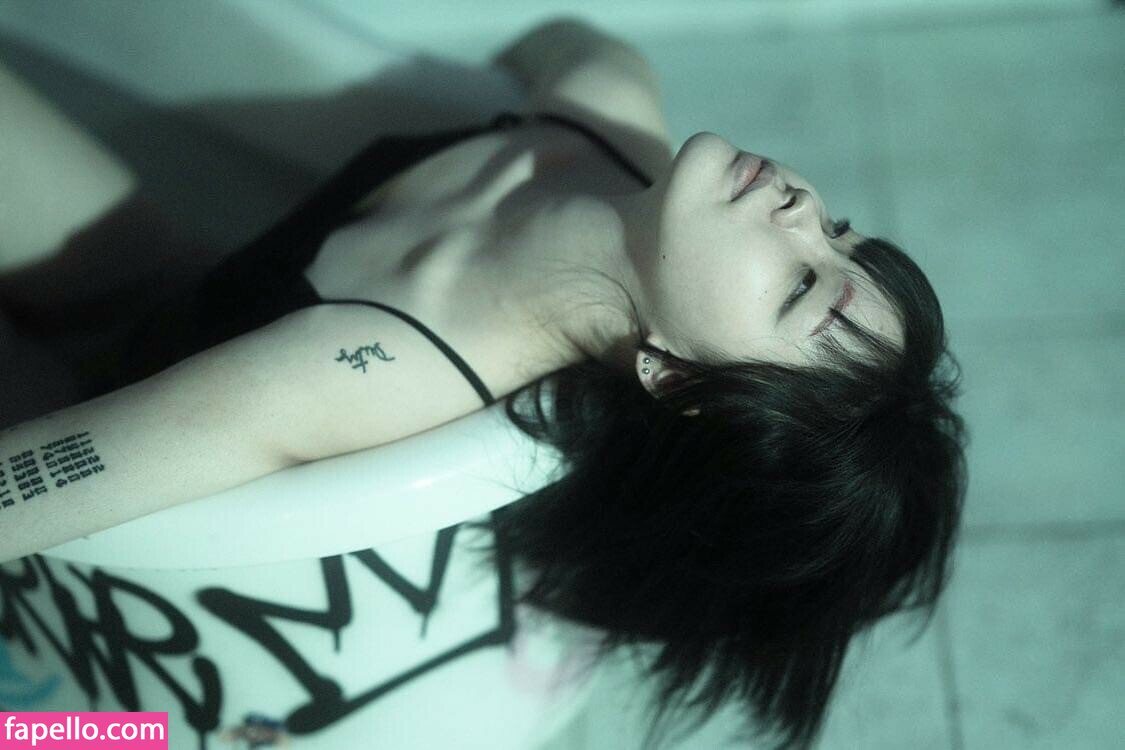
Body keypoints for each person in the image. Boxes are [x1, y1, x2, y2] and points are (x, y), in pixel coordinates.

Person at [0, 18, 967, 750]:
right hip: (152, 285)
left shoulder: (366, 370)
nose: (802, 208)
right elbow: (565, 38)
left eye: (800, 287)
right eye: (840, 237)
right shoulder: (602, 98)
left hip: (88, 428)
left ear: (670, 373)